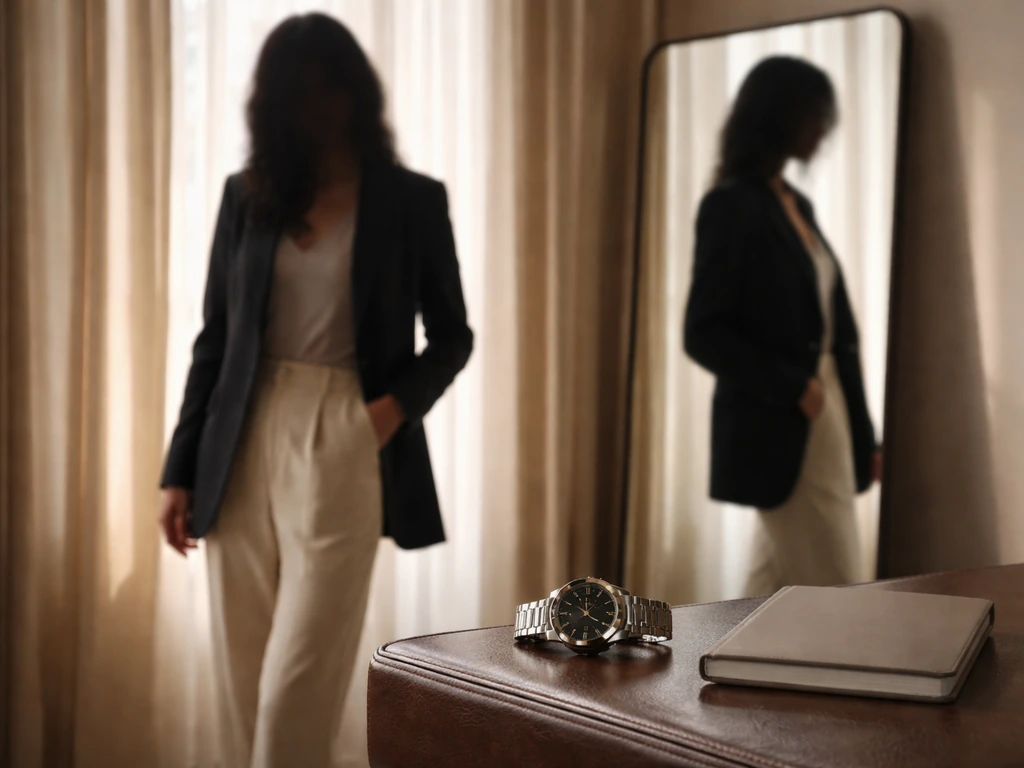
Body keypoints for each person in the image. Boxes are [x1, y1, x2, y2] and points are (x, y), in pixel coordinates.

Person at [157, 13, 473, 767]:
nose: (316, 103)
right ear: (273, 101)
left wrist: (387, 413)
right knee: (242, 686)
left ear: (354, 91)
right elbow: (215, 340)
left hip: (346, 431)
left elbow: (454, 335)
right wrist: (179, 468)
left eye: (327, 85)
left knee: (293, 690)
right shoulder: (247, 197)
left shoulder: (411, 201)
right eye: (297, 89)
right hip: (239, 437)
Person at [683, 56, 881, 597]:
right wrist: (797, 388)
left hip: (826, 404)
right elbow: (703, 332)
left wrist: (864, 433)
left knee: (769, 587)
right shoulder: (730, 207)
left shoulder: (799, 205)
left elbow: (840, 335)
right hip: (787, 411)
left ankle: (738, 675)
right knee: (839, 582)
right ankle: (848, 678)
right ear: (779, 117)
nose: (823, 130)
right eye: (815, 115)